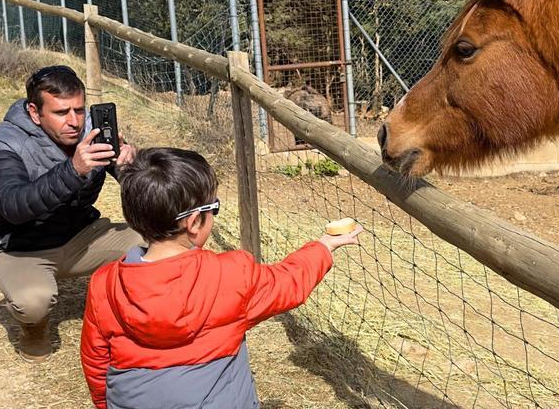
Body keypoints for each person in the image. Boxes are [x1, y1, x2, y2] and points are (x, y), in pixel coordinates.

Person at [80, 147, 362, 409]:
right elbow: (288, 283)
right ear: (193, 222)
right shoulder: (230, 275)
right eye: (212, 208)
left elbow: (96, 359)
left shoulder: (104, 283)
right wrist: (323, 247)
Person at [0, 65, 141, 363]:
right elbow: (12, 206)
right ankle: (33, 328)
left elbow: (140, 185)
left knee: (161, 240)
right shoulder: (5, 142)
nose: (74, 122)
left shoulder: (94, 128)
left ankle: (141, 315)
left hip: (81, 236)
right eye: (61, 112)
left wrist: (129, 166)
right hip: (20, 248)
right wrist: (73, 170)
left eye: (79, 110)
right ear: (34, 112)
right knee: (33, 301)